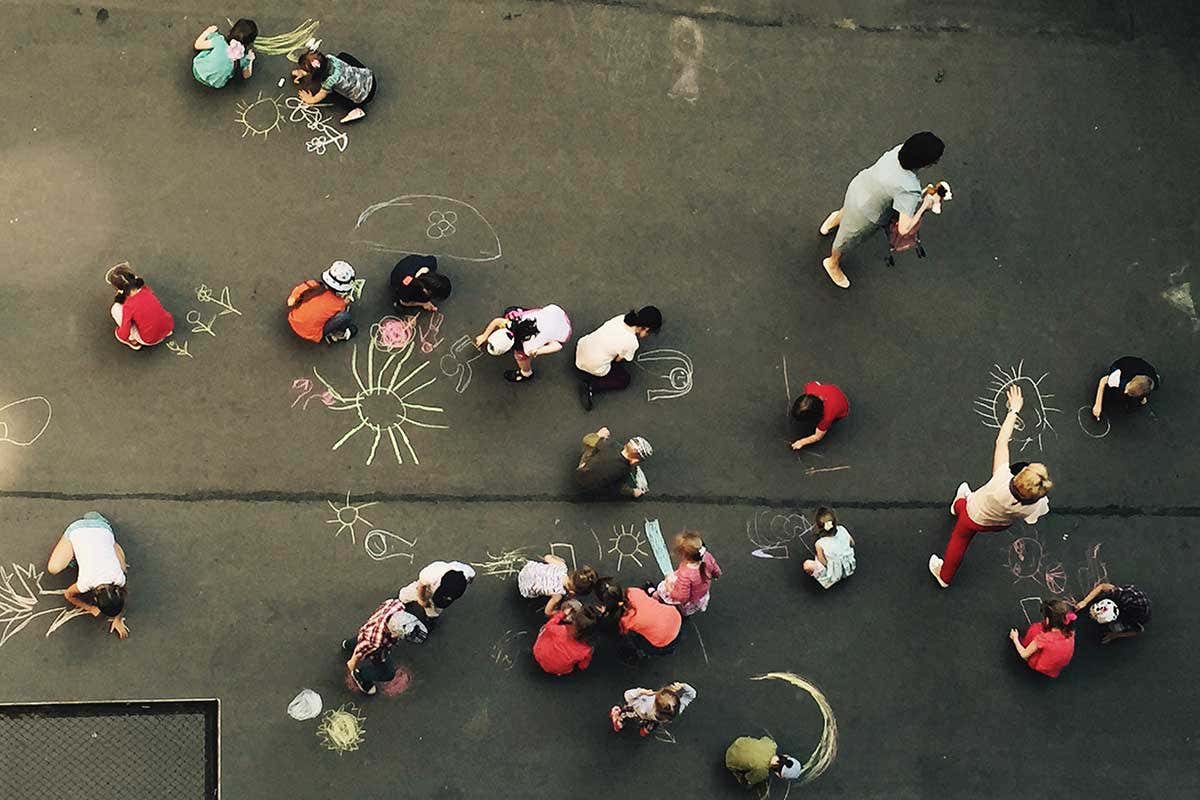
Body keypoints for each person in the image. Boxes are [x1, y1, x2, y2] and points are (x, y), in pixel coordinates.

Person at [929, 386, 1052, 588]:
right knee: (964, 509)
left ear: (1019, 478)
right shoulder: (1036, 505)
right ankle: (958, 504)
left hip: (975, 514)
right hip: (998, 523)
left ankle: (945, 575)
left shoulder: (1001, 481)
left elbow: (1002, 442)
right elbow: (1032, 518)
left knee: (959, 539)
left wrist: (1013, 410)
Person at [819, 131, 946, 288]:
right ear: (925, 163)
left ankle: (835, 220)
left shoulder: (898, 151)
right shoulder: (910, 190)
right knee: (847, 239)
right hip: (867, 214)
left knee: (848, 210)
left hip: (859, 187)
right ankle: (832, 262)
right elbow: (904, 229)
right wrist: (926, 205)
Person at [46, 512, 129, 640]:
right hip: (77, 529)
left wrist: (118, 618)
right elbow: (68, 594)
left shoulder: (119, 578)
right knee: (53, 568)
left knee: (123, 567)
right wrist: (89, 608)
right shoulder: (86, 582)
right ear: (94, 599)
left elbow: (122, 599)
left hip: (102, 528)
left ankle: (99, 525)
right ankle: (77, 550)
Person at [575, 306, 662, 410]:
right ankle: (591, 386)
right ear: (646, 329)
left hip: (581, 348)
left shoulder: (620, 318)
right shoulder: (632, 342)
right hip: (592, 366)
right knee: (624, 379)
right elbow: (618, 359)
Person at [341, 598, 430, 695]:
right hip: (372, 640)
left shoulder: (397, 606)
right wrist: (353, 665)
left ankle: (349, 644)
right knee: (388, 673)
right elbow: (356, 656)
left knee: (362, 639)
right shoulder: (376, 642)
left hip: (370, 628)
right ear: (393, 634)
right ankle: (361, 676)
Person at [473, 304, 572, 383]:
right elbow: (497, 321)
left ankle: (526, 374)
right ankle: (520, 310)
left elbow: (557, 345)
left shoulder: (528, 348)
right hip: (555, 312)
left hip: (564, 331)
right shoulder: (513, 322)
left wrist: (539, 351)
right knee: (513, 313)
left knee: (521, 358)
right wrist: (484, 336)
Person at [598, 580, 682, 663]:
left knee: (634, 639)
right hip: (674, 617)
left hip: (663, 640)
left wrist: (605, 614)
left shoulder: (625, 620)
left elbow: (621, 632)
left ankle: (641, 654)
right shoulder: (633, 592)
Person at [293, 49, 376, 124]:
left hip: (365, 97)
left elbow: (321, 95)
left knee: (332, 96)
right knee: (343, 55)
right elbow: (317, 67)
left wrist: (310, 99)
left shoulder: (329, 81)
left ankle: (356, 110)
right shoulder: (331, 58)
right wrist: (304, 72)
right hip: (369, 77)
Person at [286, 261, 358, 344]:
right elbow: (339, 311)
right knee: (345, 316)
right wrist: (345, 302)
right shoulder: (338, 303)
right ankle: (338, 335)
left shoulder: (310, 284)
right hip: (311, 334)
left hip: (293, 319)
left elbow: (291, 301)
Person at [655, 531, 722, 616]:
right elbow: (715, 568)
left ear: (684, 556)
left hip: (690, 597)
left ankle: (658, 598)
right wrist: (717, 574)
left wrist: (669, 588)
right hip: (701, 592)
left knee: (664, 587)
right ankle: (683, 614)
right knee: (687, 609)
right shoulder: (707, 556)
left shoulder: (685, 574)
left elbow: (682, 597)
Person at [108, 265, 174, 350]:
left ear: (118, 290)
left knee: (115, 309)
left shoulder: (128, 306)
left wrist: (119, 334)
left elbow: (125, 332)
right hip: (168, 326)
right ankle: (165, 331)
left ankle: (133, 341)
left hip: (150, 339)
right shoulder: (146, 290)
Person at [574, 427, 652, 498]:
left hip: (580, 474)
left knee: (594, 444)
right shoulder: (624, 470)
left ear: (626, 445)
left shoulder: (610, 445)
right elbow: (618, 488)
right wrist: (633, 492)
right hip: (591, 489)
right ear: (635, 461)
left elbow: (586, 439)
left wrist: (599, 435)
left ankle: (584, 464)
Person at [1009, 598, 1076, 678]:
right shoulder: (1070, 632)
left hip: (1041, 666)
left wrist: (1015, 638)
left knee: (1035, 629)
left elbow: (1024, 654)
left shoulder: (1044, 639)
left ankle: (1027, 648)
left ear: (1048, 620)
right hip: (1055, 670)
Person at [532, 599, 598, 676]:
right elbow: (582, 666)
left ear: (574, 621)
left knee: (545, 629)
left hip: (538, 654)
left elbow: (549, 625)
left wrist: (562, 613)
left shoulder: (560, 630)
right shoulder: (586, 649)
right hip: (558, 669)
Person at [516, 555, 599, 616]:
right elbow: (548, 612)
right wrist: (561, 613)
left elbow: (547, 557)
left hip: (527, 569)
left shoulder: (562, 567)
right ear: (572, 592)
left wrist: (559, 559)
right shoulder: (558, 595)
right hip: (524, 587)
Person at [610, 682, 697, 737]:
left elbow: (627, 695)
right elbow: (691, 695)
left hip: (637, 713)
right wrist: (684, 686)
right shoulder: (674, 713)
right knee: (653, 724)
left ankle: (618, 721)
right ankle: (645, 730)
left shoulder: (644, 700)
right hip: (653, 720)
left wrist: (641, 691)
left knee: (625, 712)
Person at [1076, 581, 1151, 644]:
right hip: (1129, 594)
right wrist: (1085, 601)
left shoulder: (1131, 618)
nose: (1092, 617)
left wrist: (1114, 635)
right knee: (1103, 593)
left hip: (1139, 610)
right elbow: (1102, 586)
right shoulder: (1117, 594)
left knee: (1114, 628)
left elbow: (1138, 630)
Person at [397, 560, 476, 619]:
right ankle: (402, 600)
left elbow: (472, 576)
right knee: (408, 593)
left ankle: (430, 617)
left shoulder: (468, 572)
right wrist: (422, 600)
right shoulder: (432, 573)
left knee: (435, 609)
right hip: (427, 588)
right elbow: (421, 586)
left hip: (437, 594)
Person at [191, 19, 256, 89]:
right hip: (213, 82)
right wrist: (250, 59)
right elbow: (246, 75)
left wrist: (208, 31)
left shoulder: (219, 40)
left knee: (212, 48)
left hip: (197, 70)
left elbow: (197, 45)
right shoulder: (242, 58)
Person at [802, 507, 856, 589]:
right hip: (848, 568)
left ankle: (822, 577)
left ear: (819, 527)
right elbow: (852, 543)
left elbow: (823, 561)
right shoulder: (842, 529)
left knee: (807, 564)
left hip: (834, 574)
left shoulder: (820, 543)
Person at [1092, 356, 1160, 420]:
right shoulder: (1120, 376)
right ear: (1131, 380)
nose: (1125, 391)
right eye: (1127, 388)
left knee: (1135, 399)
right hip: (1120, 367)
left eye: (1132, 393)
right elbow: (1103, 380)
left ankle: (1137, 396)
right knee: (1116, 390)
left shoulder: (1153, 383)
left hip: (1142, 370)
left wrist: (1142, 398)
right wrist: (1098, 404)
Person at [790, 381, 849, 451]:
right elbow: (816, 383)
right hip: (833, 391)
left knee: (830, 422)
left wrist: (801, 442)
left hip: (842, 408)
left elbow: (818, 436)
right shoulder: (810, 388)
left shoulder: (827, 418)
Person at [725, 736, 804, 786]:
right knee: (747, 780)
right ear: (779, 775)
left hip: (738, 742)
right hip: (730, 760)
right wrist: (749, 781)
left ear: (786, 755)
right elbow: (749, 779)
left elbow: (764, 738)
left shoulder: (771, 745)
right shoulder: (763, 772)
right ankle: (735, 772)